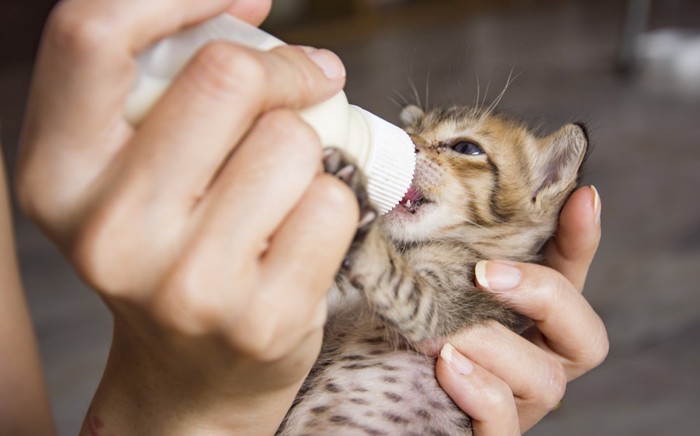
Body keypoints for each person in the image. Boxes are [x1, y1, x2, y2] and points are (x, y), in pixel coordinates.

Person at [3, 0, 608, 435]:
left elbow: (418, 311)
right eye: (417, 136)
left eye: (465, 149)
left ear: (544, 188)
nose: (419, 151)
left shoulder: (474, 281)